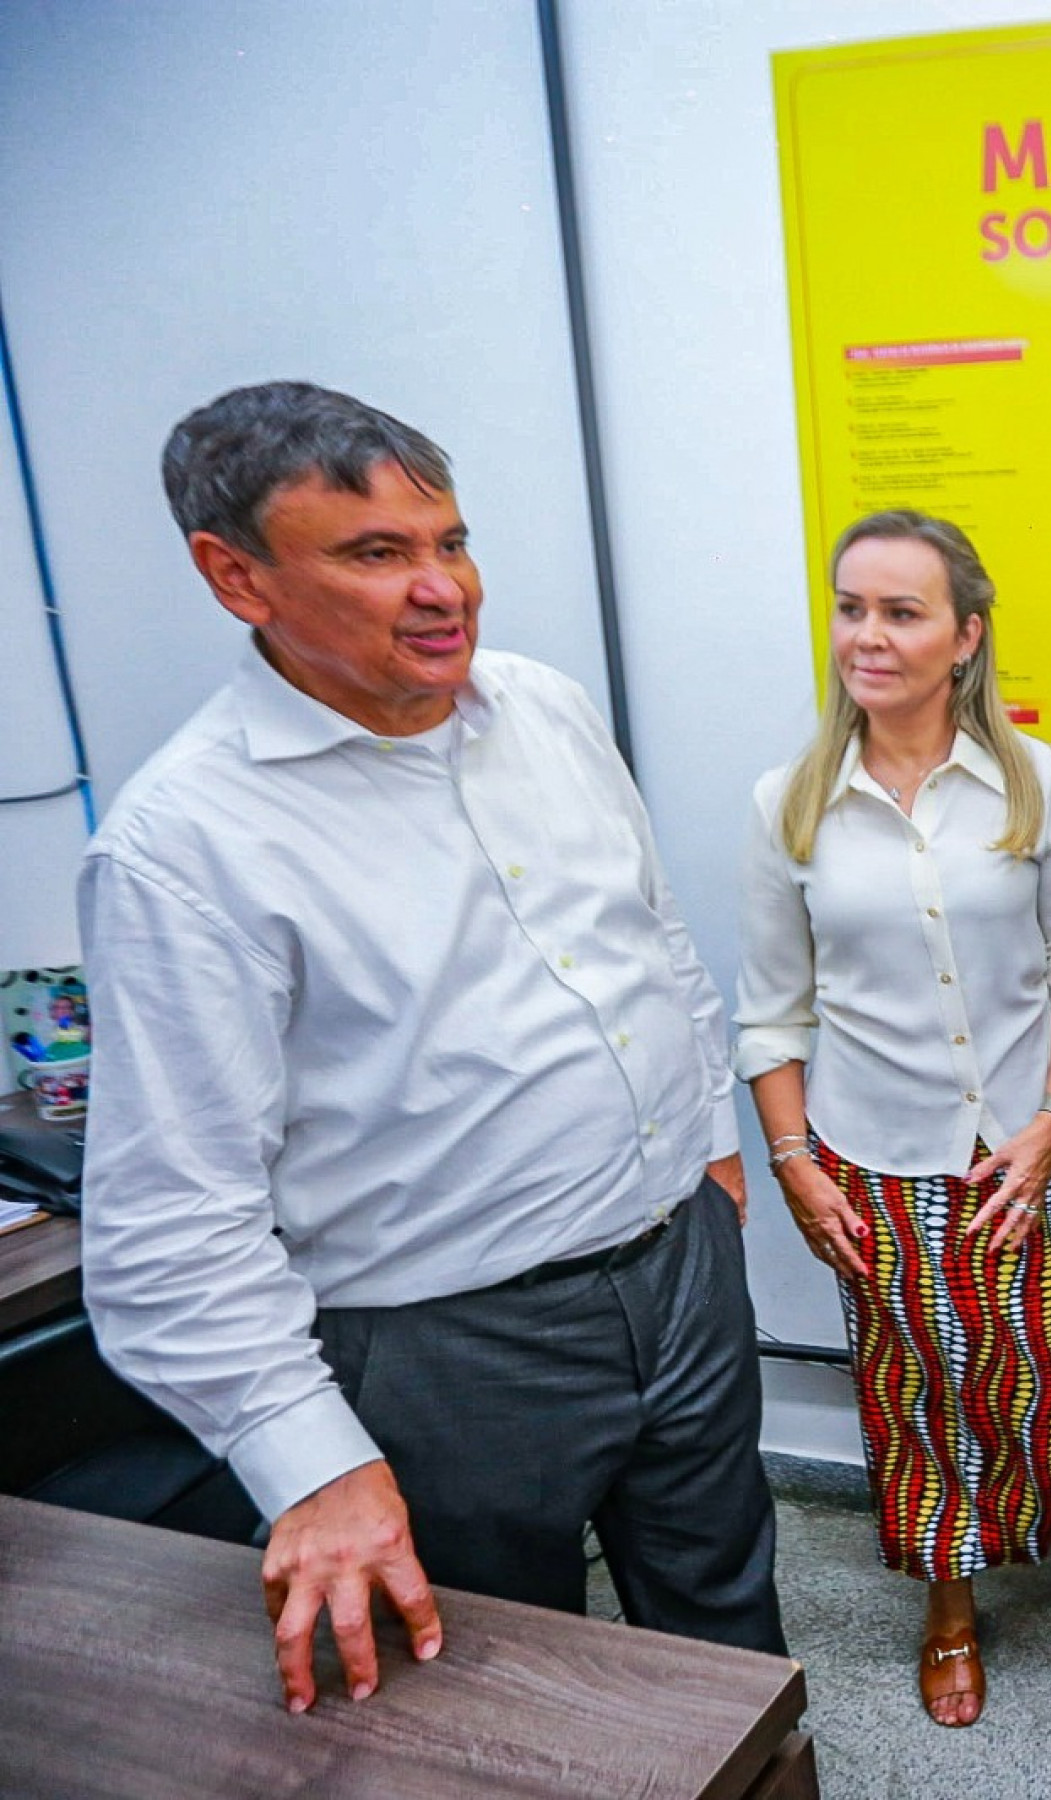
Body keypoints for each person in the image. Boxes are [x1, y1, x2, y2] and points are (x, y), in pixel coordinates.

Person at [80, 381, 785, 1715]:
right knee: (492, 1697)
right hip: (448, 1346)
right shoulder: (187, 846)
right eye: (374, 554)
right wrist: (312, 1463)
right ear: (236, 577)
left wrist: (705, 1149)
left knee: (727, 1622)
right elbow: (169, 1225)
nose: (441, 588)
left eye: (449, 542)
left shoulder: (545, 708)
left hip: (677, 1270)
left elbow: (653, 943)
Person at [733, 509, 1051, 1728]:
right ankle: (949, 1602)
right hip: (871, 1159)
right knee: (916, 1388)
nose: (868, 635)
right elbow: (769, 1014)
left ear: (964, 636)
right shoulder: (789, 804)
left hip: (1028, 1139)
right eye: (852, 607)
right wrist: (796, 1165)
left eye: (901, 612)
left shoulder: (1032, 778)